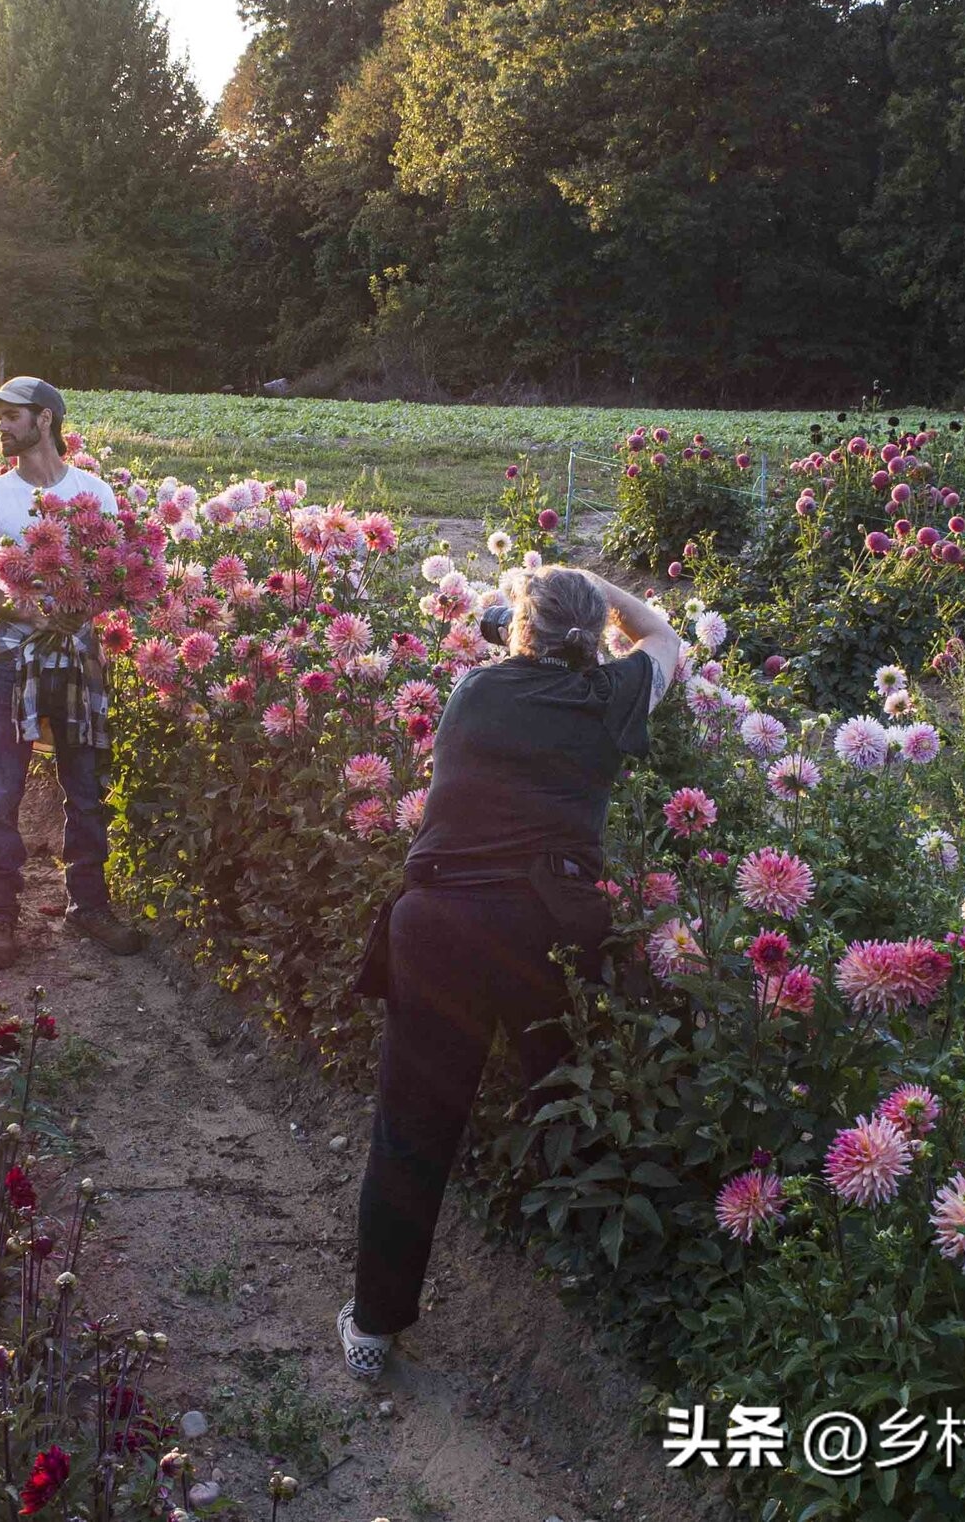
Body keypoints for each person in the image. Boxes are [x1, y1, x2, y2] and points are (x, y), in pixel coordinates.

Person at [337, 563, 681, 1379]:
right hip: (544, 928)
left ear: (518, 632)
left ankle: (375, 1329)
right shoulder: (609, 697)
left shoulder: (473, 694)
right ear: (594, 637)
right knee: (562, 1101)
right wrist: (596, 587)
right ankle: (595, 1289)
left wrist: (531, 596)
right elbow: (664, 636)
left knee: (411, 1127)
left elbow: (510, 632)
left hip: (441, 925)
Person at [0, 376, 148, 970]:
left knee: (85, 789)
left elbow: (115, 574)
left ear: (44, 420)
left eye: (11, 416)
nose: (0, 426)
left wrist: (81, 610)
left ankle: (88, 906)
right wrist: (32, 610)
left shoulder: (97, 493)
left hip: (75, 658)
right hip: (11, 659)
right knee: (3, 792)